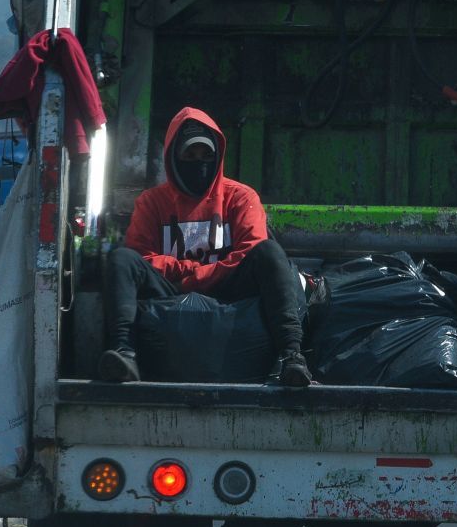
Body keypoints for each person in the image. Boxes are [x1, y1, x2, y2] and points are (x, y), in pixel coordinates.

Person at [100, 106, 310, 387]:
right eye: (189, 155)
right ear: (174, 157)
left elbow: (250, 249)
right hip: (172, 287)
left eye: (206, 155)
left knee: (270, 254)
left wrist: (197, 275)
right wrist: (188, 272)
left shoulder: (240, 197)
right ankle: (125, 353)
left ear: (218, 156)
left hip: (227, 287)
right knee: (121, 260)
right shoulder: (151, 202)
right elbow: (141, 255)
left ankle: (291, 356)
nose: (198, 163)